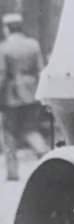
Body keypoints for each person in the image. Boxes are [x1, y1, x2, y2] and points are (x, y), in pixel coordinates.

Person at [0, 12, 47, 181]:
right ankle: (45, 155)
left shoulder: (3, 48)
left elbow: (2, 74)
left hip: (11, 96)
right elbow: (41, 69)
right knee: (30, 129)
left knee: (9, 133)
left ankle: (12, 173)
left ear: (7, 29)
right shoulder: (33, 45)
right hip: (32, 93)